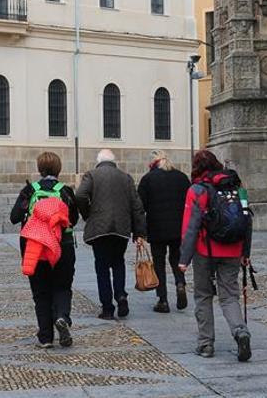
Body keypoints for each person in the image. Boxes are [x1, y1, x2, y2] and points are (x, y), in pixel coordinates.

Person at [178, 150, 252, 362]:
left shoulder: (197, 190)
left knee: (203, 296)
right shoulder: (236, 186)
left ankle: (205, 345)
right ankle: (240, 331)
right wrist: (246, 252)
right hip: (233, 249)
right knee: (229, 296)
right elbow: (247, 220)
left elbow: (190, 227)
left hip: (205, 250)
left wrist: (184, 259)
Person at [10, 152, 79, 349]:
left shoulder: (30, 190)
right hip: (62, 245)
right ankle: (62, 316)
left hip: (36, 245)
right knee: (63, 286)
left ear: (40, 169)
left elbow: (14, 217)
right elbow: (73, 219)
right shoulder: (65, 191)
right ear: (59, 169)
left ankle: (46, 337)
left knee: (40, 292)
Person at [75, 149, 147, 320]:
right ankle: (121, 295)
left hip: (99, 228)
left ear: (98, 161)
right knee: (118, 263)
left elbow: (80, 195)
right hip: (121, 228)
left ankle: (107, 307)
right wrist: (139, 233)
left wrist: (88, 214)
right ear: (114, 161)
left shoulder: (91, 175)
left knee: (102, 267)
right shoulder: (125, 177)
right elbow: (137, 206)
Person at [137, 150, 191, 313]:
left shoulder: (148, 179)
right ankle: (180, 283)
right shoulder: (181, 177)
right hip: (178, 227)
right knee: (176, 259)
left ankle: (163, 300)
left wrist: (139, 231)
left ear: (153, 163)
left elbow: (140, 206)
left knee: (159, 263)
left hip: (157, 228)